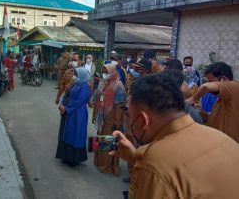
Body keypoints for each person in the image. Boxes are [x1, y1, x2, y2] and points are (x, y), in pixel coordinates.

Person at [111, 73, 239, 199]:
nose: (129, 119)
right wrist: (136, 159)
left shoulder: (154, 164)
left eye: (130, 115)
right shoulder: (222, 138)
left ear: (144, 120)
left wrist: (145, 164)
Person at [186, 62, 239, 143]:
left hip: (227, 145)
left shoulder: (233, 86)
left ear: (224, 79)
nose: (209, 83)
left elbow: (206, 87)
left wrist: (192, 99)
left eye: (211, 81)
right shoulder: (222, 97)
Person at [93, 63, 126, 176]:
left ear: (112, 73)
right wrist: (95, 113)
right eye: (103, 71)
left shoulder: (119, 85)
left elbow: (119, 105)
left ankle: (107, 166)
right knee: (100, 138)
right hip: (101, 116)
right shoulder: (103, 83)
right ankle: (98, 161)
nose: (104, 74)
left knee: (108, 140)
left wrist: (117, 121)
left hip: (111, 116)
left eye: (106, 72)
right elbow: (98, 98)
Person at [55, 67, 91, 166]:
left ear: (82, 75)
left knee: (75, 134)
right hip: (69, 112)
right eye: (74, 73)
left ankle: (74, 158)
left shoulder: (85, 87)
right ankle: (66, 156)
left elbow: (79, 101)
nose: (74, 75)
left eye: (76, 73)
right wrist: (62, 104)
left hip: (78, 114)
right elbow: (67, 95)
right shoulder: (75, 84)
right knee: (67, 133)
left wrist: (66, 108)